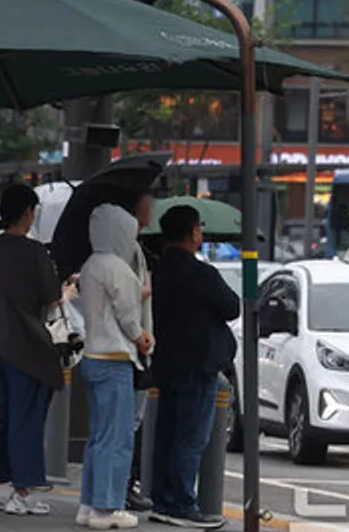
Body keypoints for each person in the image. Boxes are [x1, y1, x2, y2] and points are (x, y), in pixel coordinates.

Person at [0, 184, 62, 516]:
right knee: (25, 417)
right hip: (27, 346)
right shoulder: (35, 253)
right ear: (26, 212)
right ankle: (21, 492)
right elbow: (50, 299)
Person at [149, 206, 240, 529]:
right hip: (198, 365)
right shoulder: (200, 274)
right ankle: (182, 503)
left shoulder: (158, 272)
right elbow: (232, 306)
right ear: (193, 233)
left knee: (167, 434)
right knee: (190, 438)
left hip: (164, 363)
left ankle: (162, 498)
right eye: (198, 228)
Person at [75, 204, 153, 530]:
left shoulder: (91, 264)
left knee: (98, 437)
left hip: (92, 355)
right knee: (118, 438)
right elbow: (128, 316)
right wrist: (141, 338)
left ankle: (89, 503)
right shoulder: (117, 267)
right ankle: (108, 508)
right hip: (115, 359)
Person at [127, 193, 155, 512]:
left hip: (134, 346)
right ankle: (122, 489)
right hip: (132, 348)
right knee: (128, 425)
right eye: (148, 204)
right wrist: (139, 336)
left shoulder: (137, 249)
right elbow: (129, 296)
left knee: (129, 424)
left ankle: (122, 488)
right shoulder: (129, 250)